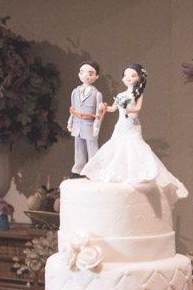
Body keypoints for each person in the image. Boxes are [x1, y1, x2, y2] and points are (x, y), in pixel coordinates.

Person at [80, 63, 187, 202]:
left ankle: (140, 172)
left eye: (132, 75)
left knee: (135, 146)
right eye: (126, 75)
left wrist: (129, 110)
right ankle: (116, 173)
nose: (128, 78)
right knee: (117, 146)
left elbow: (137, 108)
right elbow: (113, 108)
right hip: (120, 125)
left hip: (132, 125)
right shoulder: (120, 94)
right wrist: (104, 107)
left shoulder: (137, 93)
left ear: (139, 78)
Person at [68, 61, 105, 175]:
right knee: (79, 148)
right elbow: (73, 109)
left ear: (96, 76)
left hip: (89, 124)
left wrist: (96, 126)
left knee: (92, 148)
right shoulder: (75, 92)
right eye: (82, 72)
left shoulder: (97, 94)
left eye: (90, 73)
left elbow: (98, 113)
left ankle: (94, 171)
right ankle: (78, 170)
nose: (86, 76)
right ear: (79, 74)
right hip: (78, 124)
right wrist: (70, 123)